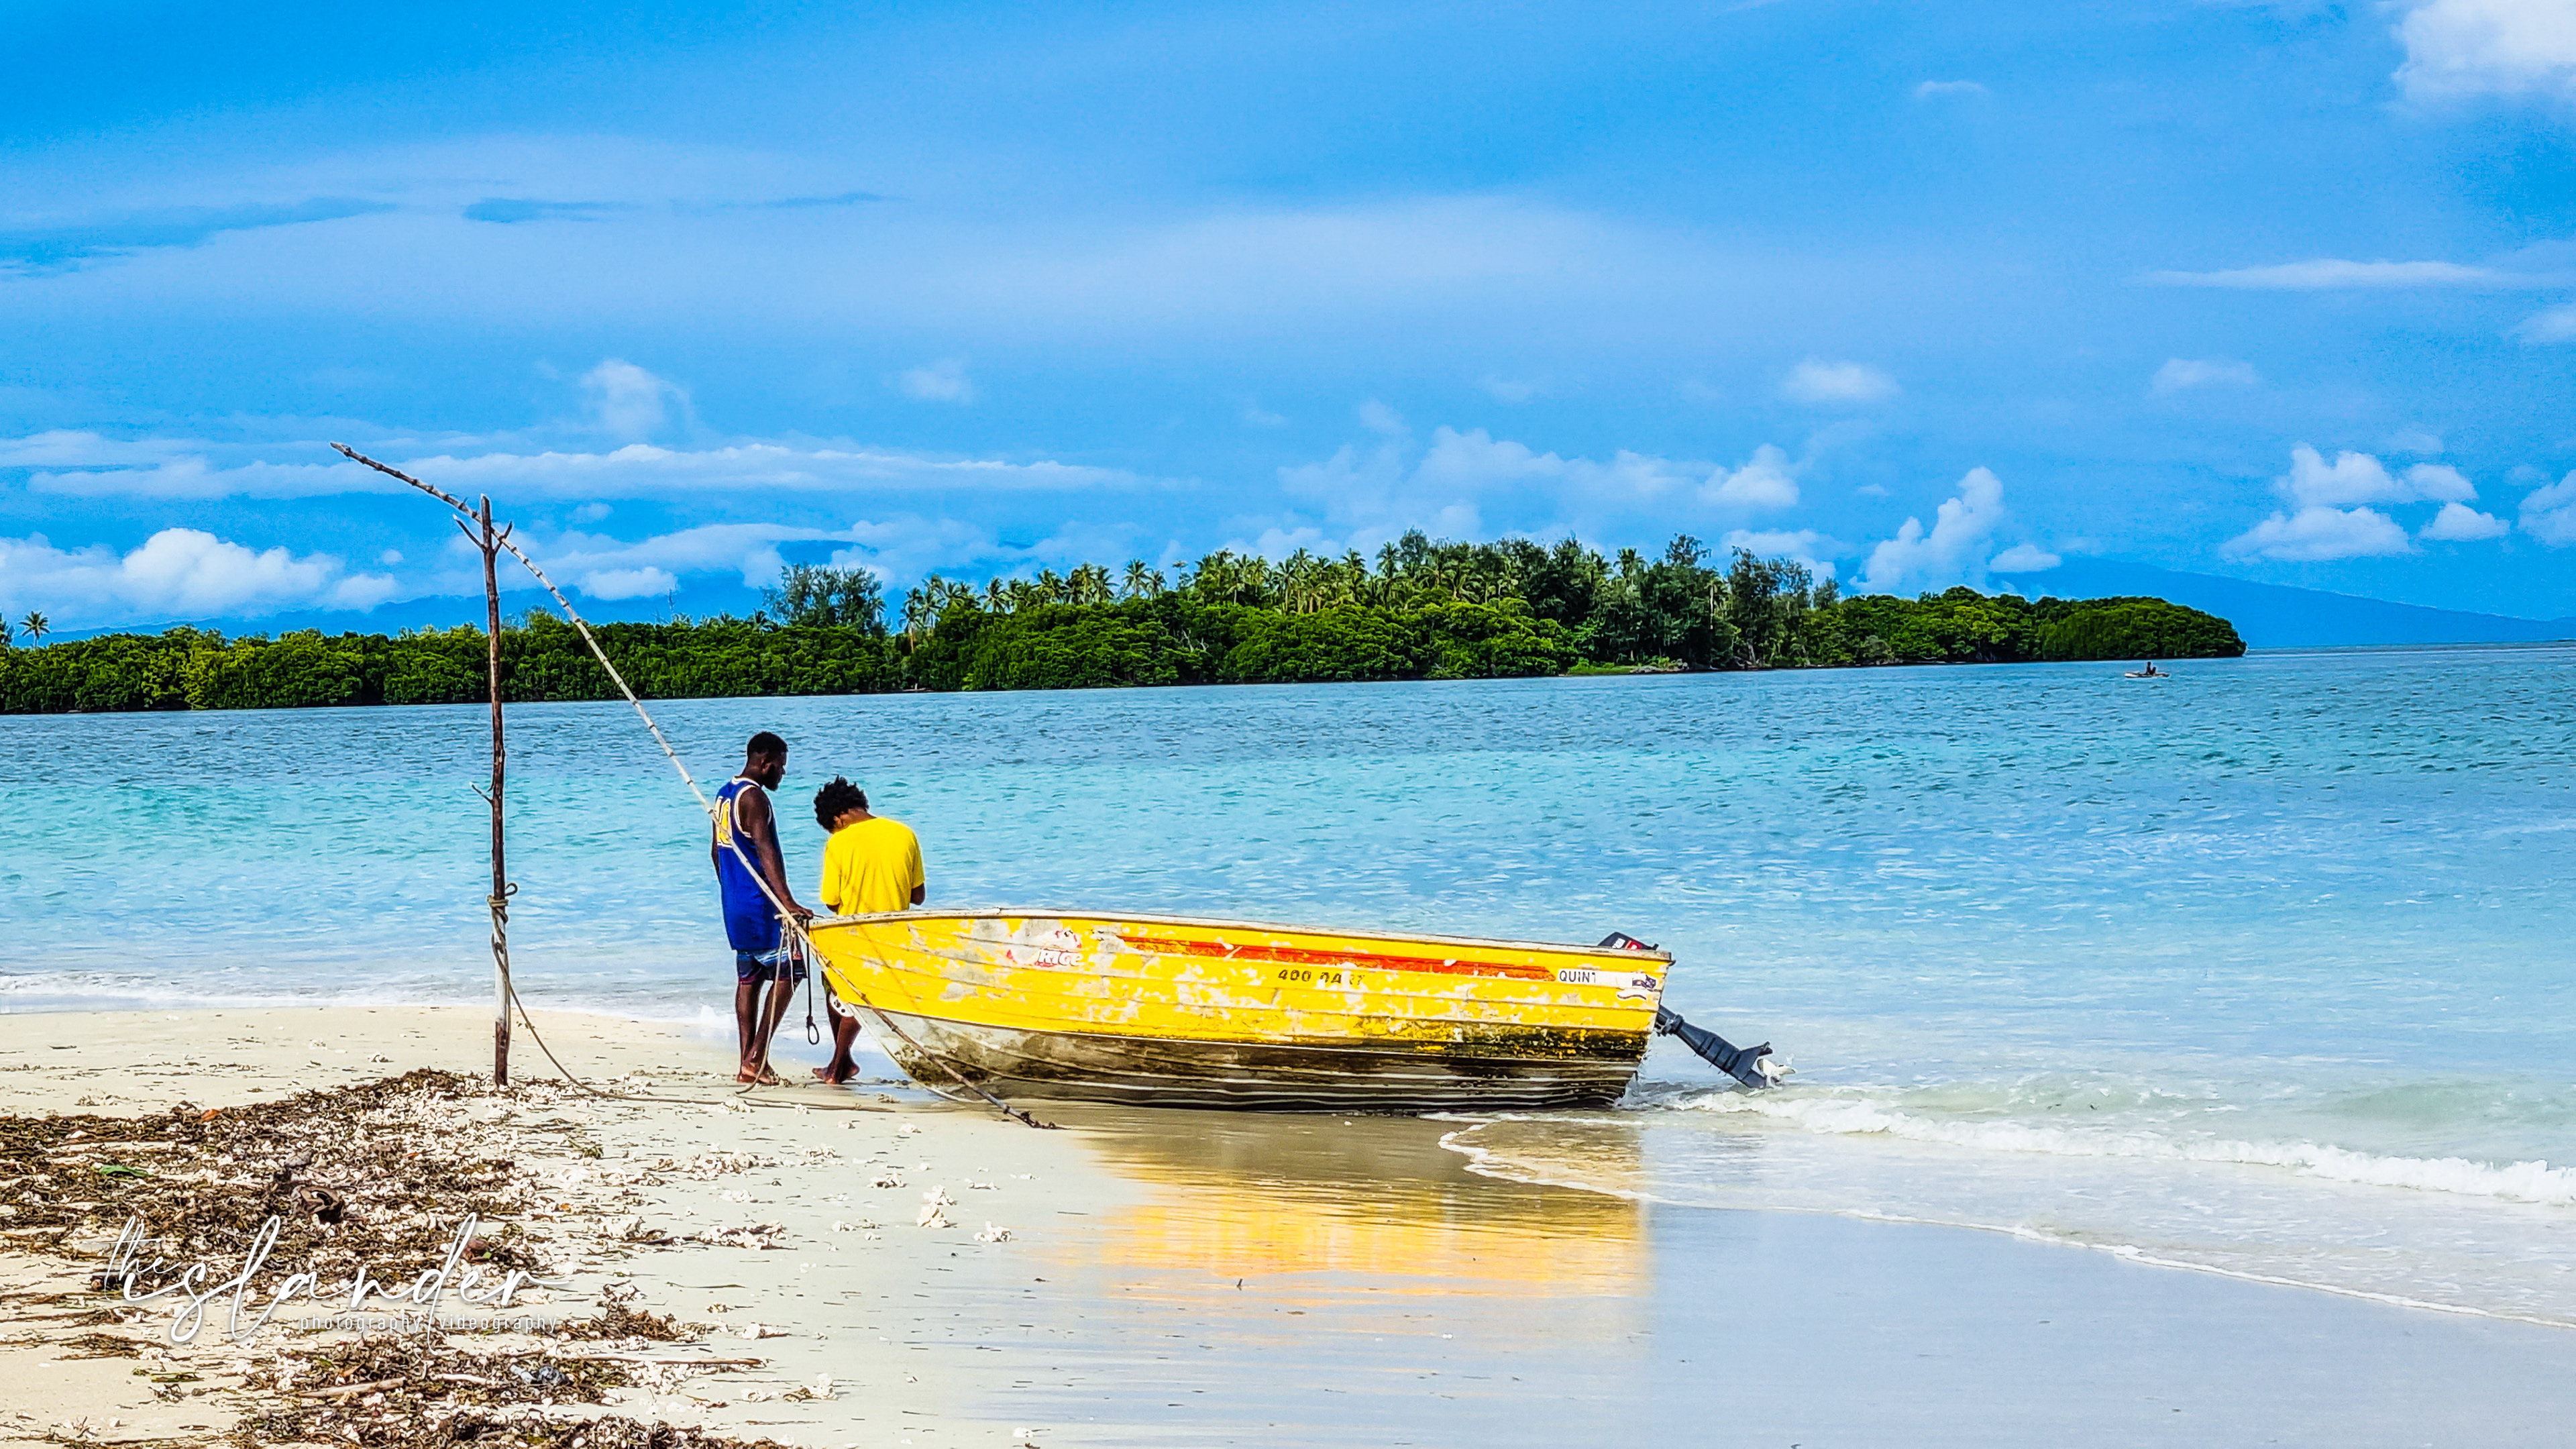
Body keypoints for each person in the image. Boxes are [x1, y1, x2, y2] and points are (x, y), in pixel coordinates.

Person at [808, 775, 926, 1085]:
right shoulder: (905, 833)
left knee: (839, 991)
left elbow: (832, 901)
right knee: (862, 994)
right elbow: (918, 896)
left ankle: (837, 1067)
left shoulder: (838, 842)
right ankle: (843, 1062)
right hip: (895, 938)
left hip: (851, 935)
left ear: (838, 818)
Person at [712, 732, 814, 1084]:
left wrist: (732, 891)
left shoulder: (724, 795)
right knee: (790, 973)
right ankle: (756, 1057)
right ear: (765, 763)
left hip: (735, 903)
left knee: (750, 978)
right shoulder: (755, 798)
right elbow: (767, 851)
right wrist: (788, 902)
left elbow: (716, 852)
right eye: (781, 767)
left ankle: (747, 1063)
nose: (783, 774)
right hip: (761, 905)